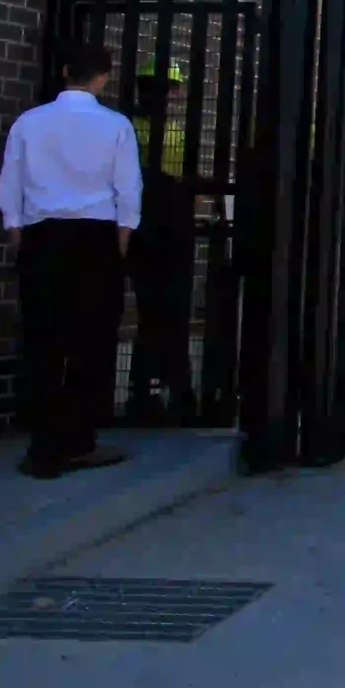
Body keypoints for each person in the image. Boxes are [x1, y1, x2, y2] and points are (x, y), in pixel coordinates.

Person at [0, 41, 139, 478]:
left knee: (42, 341)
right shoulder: (115, 125)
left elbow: (11, 182)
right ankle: (79, 440)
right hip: (96, 236)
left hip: (42, 235)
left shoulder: (29, 123)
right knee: (91, 342)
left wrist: (17, 230)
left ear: (63, 72)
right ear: (103, 77)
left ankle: (42, 447)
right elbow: (128, 189)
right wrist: (121, 240)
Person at [127, 54, 195, 423]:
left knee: (157, 312)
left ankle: (153, 388)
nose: (170, 96)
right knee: (162, 311)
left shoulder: (139, 128)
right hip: (155, 226)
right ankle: (163, 389)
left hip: (154, 227)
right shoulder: (134, 130)